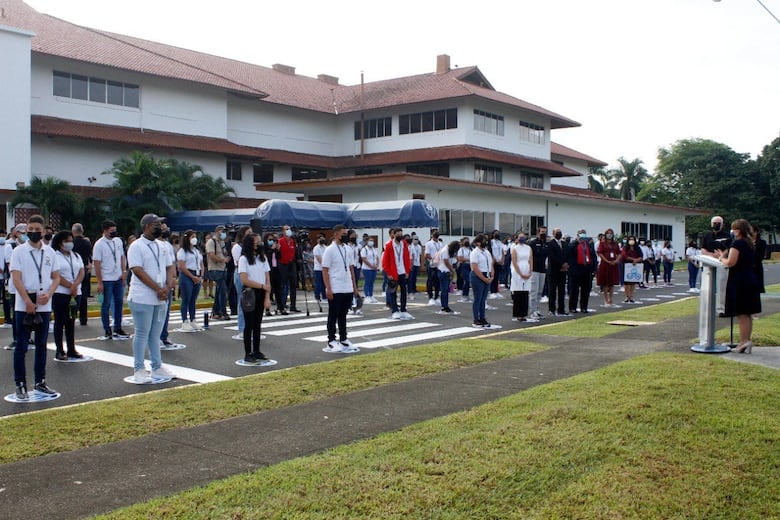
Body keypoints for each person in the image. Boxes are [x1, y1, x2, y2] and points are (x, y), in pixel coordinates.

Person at [10, 215, 60, 400]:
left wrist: (50, 293)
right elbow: (16, 277)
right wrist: (27, 301)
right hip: (24, 301)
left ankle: (40, 382)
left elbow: (56, 277)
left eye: (37, 229)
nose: (33, 233)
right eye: (30, 229)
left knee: (41, 345)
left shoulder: (50, 252)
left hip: (44, 301)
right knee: (21, 346)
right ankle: (20, 383)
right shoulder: (19, 251)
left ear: (44, 231)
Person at [126, 214, 177, 383]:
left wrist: (167, 287)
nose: (161, 228)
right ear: (147, 226)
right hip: (142, 297)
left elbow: (170, 266)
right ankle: (139, 368)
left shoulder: (162, 246)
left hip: (160, 296)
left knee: (155, 334)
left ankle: (157, 366)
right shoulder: (136, 246)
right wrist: (157, 288)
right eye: (157, 224)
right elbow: (137, 270)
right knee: (141, 333)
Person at [715, 219, 761, 353]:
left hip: (740, 281)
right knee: (747, 312)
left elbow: (731, 262)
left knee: (742, 314)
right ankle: (746, 340)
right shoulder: (750, 243)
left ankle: (744, 341)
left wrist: (720, 258)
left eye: (734, 229)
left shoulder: (738, 243)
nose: (732, 231)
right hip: (750, 278)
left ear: (738, 230)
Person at [321, 224, 360, 353]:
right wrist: (328, 288)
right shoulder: (329, 250)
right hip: (335, 286)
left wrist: (354, 286)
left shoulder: (347, 249)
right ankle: (331, 339)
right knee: (333, 315)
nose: (345, 236)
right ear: (336, 234)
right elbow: (325, 270)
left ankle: (343, 338)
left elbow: (351, 268)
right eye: (343, 234)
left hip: (347, 287)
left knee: (343, 315)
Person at [238, 232, 272, 363]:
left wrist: (267, 295)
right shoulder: (244, 259)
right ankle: (248, 352)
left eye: (259, 241)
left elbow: (267, 277)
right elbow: (244, 280)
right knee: (249, 324)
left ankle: (257, 351)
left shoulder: (262, 258)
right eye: (256, 241)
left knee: (258, 324)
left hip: (262, 291)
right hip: (250, 293)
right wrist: (262, 286)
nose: (259, 243)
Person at [93, 219, 129, 340]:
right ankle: (107, 329)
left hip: (118, 277)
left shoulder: (117, 241)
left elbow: (121, 257)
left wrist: (124, 271)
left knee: (119, 303)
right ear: (105, 231)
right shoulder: (99, 244)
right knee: (106, 304)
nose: (114, 233)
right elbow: (97, 264)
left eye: (115, 230)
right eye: (111, 231)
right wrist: (99, 281)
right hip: (106, 278)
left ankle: (118, 327)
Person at [52, 230, 85, 360]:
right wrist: (70, 286)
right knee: (60, 322)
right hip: (61, 292)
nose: (69, 243)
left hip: (76, 293)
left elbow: (81, 271)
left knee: (71, 322)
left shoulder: (76, 255)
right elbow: (54, 275)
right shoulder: (55, 256)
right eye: (66, 241)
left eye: (71, 241)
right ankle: (59, 350)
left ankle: (71, 349)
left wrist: (75, 285)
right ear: (60, 243)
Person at [701, 216, 731, 315]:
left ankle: (721, 309)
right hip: (709, 261)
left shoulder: (727, 235)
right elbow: (703, 249)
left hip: (721, 262)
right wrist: (711, 255)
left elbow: (730, 248)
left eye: (718, 223)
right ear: (711, 224)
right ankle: (707, 308)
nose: (716, 225)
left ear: (722, 225)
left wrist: (722, 255)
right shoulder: (707, 235)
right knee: (707, 286)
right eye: (714, 223)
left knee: (721, 286)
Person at [382, 227, 413, 320]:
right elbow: (385, 260)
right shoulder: (389, 245)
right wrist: (388, 273)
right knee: (393, 292)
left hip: (402, 271)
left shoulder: (403, 244)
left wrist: (407, 270)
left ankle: (403, 310)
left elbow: (407, 257)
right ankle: (395, 310)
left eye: (401, 233)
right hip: (393, 272)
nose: (400, 235)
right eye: (398, 234)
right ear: (394, 234)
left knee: (404, 291)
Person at [177, 229, 205, 333]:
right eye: (192, 237)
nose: (194, 239)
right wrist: (192, 277)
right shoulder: (182, 251)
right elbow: (182, 266)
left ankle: (193, 319)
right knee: (186, 299)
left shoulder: (197, 251)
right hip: (187, 275)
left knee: (193, 299)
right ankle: (185, 321)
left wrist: (201, 276)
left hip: (197, 274)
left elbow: (201, 264)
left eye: (195, 236)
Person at [566, 229, 597, 313]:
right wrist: (577, 242)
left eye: (584, 234)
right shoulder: (573, 243)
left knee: (586, 289)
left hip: (586, 269)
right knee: (574, 290)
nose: (582, 236)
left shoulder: (589, 244)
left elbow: (593, 256)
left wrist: (594, 268)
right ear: (577, 235)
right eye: (581, 234)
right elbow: (569, 251)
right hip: (576, 269)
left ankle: (584, 307)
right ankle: (573, 307)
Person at [157, 222, 178, 347]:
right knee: (158, 312)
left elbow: (172, 264)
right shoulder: (155, 244)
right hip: (159, 282)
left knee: (166, 311)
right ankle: (157, 337)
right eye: (164, 229)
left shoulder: (168, 245)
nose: (166, 231)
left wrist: (173, 278)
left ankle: (164, 335)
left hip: (168, 281)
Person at [229, 226, 251, 339]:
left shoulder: (250, 247)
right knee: (242, 301)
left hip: (250, 273)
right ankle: (242, 328)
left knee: (250, 302)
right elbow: (240, 261)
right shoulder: (237, 247)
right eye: (248, 233)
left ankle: (249, 327)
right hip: (240, 273)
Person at [469, 233, 493, 328]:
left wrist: (492, 275)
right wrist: (484, 279)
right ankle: (476, 319)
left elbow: (491, 263)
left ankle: (482, 318)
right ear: (478, 243)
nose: (485, 242)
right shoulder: (475, 253)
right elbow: (475, 267)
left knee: (483, 299)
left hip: (486, 273)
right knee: (478, 298)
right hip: (478, 275)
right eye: (483, 240)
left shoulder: (486, 252)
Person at [510, 232, 535, 322]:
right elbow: (514, 262)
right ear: (517, 238)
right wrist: (520, 273)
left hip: (527, 269)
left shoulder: (528, 248)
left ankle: (524, 314)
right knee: (518, 293)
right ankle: (518, 314)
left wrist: (530, 271)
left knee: (525, 293)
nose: (522, 239)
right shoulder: (514, 249)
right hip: (518, 272)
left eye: (523, 237)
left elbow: (531, 260)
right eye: (520, 237)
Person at [206, 225, 229, 320]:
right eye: (222, 231)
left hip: (222, 269)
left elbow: (224, 253)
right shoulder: (211, 242)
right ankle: (223, 312)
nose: (223, 233)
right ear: (217, 231)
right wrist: (222, 260)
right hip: (215, 269)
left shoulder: (222, 242)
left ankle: (215, 311)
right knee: (222, 291)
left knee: (219, 291)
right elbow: (211, 255)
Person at [71, 223, 92, 326]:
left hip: (74, 269)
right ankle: (83, 318)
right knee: (83, 295)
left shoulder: (72, 243)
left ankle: (72, 316)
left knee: (73, 294)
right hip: (85, 268)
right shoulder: (87, 243)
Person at [527, 226, 549, 320]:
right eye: (542, 232)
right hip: (534, 269)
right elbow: (530, 257)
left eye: (545, 232)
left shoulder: (546, 244)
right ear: (538, 233)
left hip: (542, 270)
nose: (543, 234)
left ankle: (537, 309)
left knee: (540, 291)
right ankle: (532, 311)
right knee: (534, 291)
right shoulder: (533, 243)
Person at [547, 227, 569, 316]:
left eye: (560, 232)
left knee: (562, 291)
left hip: (563, 271)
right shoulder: (550, 244)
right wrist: (561, 264)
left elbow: (567, 254)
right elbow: (552, 256)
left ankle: (561, 309)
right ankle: (551, 309)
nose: (559, 234)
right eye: (557, 232)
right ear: (553, 234)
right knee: (552, 291)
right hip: (553, 270)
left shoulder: (565, 243)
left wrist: (566, 264)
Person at [596, 228, 620, 307]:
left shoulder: (615, 243)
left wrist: (616, 260)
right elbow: (600, 253)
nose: (609, 235)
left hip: (613, 265)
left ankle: (611, 299)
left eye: (611, 233)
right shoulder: (602, 243)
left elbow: (619, 253)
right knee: (605, 283)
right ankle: (606, 299)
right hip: (605, 264)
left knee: (612, 283)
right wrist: (607, 261)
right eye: (608, 233)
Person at [278, 224, 300, 313]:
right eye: (286, 229)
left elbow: (295, 252)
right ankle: (282, 305)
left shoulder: (292, 241)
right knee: (283, 285)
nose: (288, 231)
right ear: (283, 231)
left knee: (293, 285)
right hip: (283, 264)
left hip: (292, 264)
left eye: (289, 229)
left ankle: (293, 305)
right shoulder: (280, 241)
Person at [436, 240, 459, 314]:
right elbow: (446, 262)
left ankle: (445, 306)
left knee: (446, 290)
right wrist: (452, 270)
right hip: (443, 271)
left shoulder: (449, 250)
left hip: (446, 271)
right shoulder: (445, 250)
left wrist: (452, 272)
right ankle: (444, 307)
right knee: (444, 290)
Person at [621, 236, 643, 304]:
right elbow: (624, 255)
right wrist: (632, 259)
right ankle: (627, 296)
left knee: (633, 282)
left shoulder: (637, 248)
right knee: (627, 282)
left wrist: (636, 260)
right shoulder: (625, 247)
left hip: (635, 266)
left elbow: (641, 256)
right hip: (627, 265)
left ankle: (632, 296)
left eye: (633, 239)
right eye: (630, 239)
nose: (631, 240)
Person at [424, 230, 442, 306]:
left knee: (437, 281)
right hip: (431, 264)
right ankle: (430, 297)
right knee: (430, 280)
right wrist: (433, 259)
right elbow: (426, 254)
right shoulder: (429, 244)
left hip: (438, 265)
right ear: (432, 235)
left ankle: (436, 296)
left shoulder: (440, 244)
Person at [360, 237, 379, 303]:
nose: (372, 242)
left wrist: (377, 265)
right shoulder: (364, 249)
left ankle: (371, 295)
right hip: (367, 268)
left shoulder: (374, 249)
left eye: (372, 241)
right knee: (367, 282)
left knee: (372, 282)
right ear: (367, 241)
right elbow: (364, 259)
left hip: (374, 268)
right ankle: (367, 296)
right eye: (370, 240)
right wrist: (371, 266)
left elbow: (377, 257)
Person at [488, 230, 506, 299]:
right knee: (493, 276)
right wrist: (494, 259)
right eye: (495, 233)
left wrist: (502, 259)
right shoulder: (491, 242)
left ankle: (496, 291)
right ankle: (492, 291)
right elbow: (491, 251)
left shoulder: (499, 242)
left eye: (498, 233)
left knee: (497, 276)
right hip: (494, 261)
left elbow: (502, 251)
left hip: (499, 261)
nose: (497, 235)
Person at [456, 237, 472, 303]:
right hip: (464, 266)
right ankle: (464, 295)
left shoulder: (471, 249)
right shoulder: (461, 250)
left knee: (469, 280)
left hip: (470, 266)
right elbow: (460, 258)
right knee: (467, 280)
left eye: (467, 241)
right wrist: (469, 259)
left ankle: (467, 295)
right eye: (465, 241)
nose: (467, 242)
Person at [312, 235, 326, 303]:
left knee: (324, 283)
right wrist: (324, 265)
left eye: (323, 238)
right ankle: (317, 296)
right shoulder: (316, 248)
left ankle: (324, 296)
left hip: (325, 269)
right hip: (318, 268)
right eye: (320, 239)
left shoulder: (326, 247)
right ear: (317, 240)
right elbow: (318, 258)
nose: (322, 240)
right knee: (318, 283)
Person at [753, 226, 767, 295]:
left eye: (753, 231)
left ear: (756, 232)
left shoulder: (761, 242)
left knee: (757, 287)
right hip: (747, 267)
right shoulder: (745, 242)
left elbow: (760, 256)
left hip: (757, 266)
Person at [407, 236, 422, 300]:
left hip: (417, 263)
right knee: (410, 278)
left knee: (414, 278)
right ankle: (410, 291)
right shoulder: (410, 247)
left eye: (417, 239)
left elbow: (420, 255)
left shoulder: (419, 247)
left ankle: (414, 289)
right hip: (412, 264)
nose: (416, 240)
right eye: (415, 239)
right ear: (412, 240)